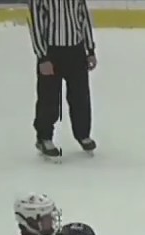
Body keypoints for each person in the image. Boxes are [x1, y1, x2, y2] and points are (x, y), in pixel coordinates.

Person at [29, 0, 98, 159]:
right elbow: (36, 25)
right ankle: (44, 137)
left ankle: (82, 134)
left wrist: (90, 49)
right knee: (49, 96)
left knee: (80, 95)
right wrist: (42, 56)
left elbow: (83, 18)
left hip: (76, 50)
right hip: (51, 52)